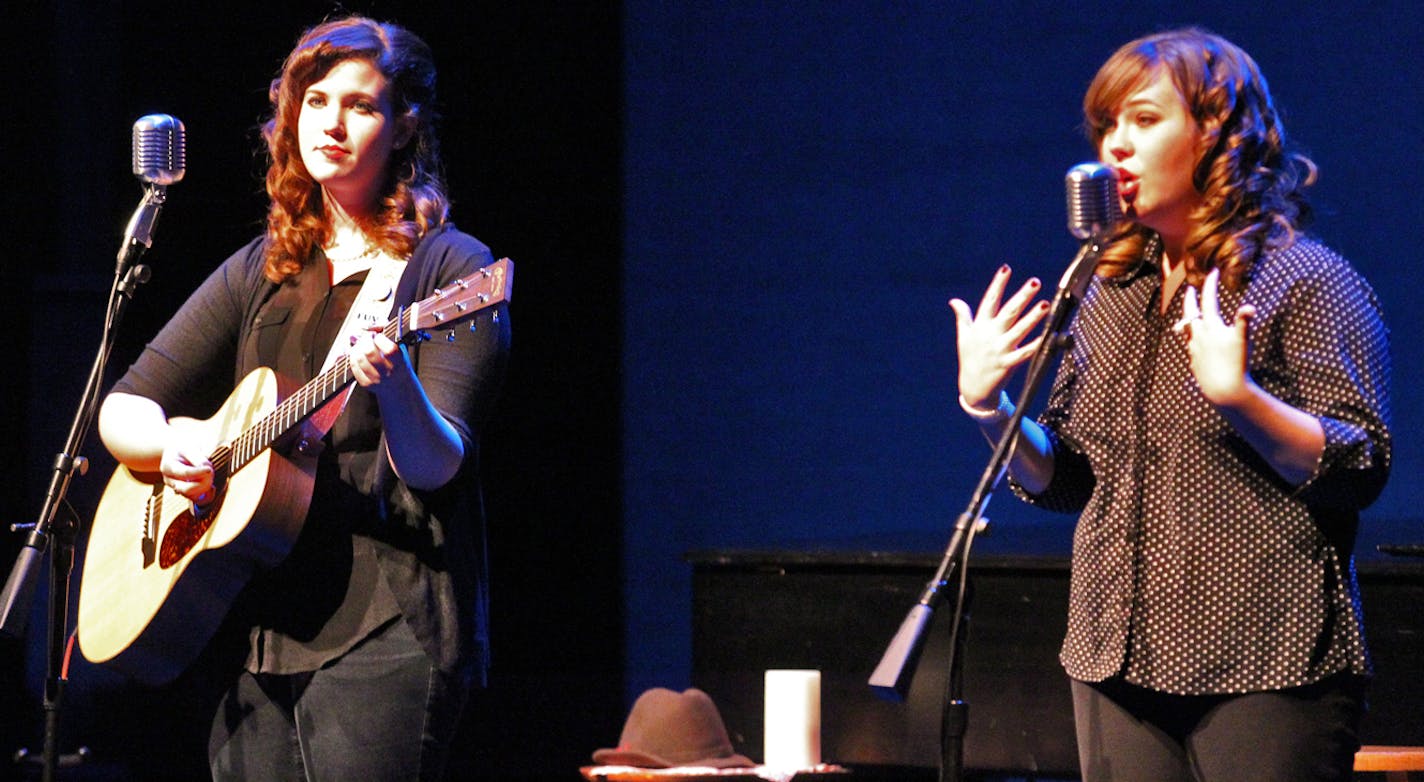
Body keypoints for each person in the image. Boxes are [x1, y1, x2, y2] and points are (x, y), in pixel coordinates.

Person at [948, 28, 1390, 782]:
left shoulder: (1304, 280)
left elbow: (1361, 466)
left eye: (1144, 120)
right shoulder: (1109, 290)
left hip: (1265, 663)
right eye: (1107, 126)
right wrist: (991, 410)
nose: (1116, 145)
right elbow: (1068, 478)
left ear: (1218, 133)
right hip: (1113, 659)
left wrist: (1238, 397)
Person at [95, 16, 510, 780]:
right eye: (315, 101)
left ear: (406, 123)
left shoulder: (451, 270)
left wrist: (398, 385)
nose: (332, 123)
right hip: (246, 618)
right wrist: (172, 447)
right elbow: (122, 409)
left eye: (361, 105)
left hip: (383, 622)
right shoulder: (265, 266)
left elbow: (437, 467)